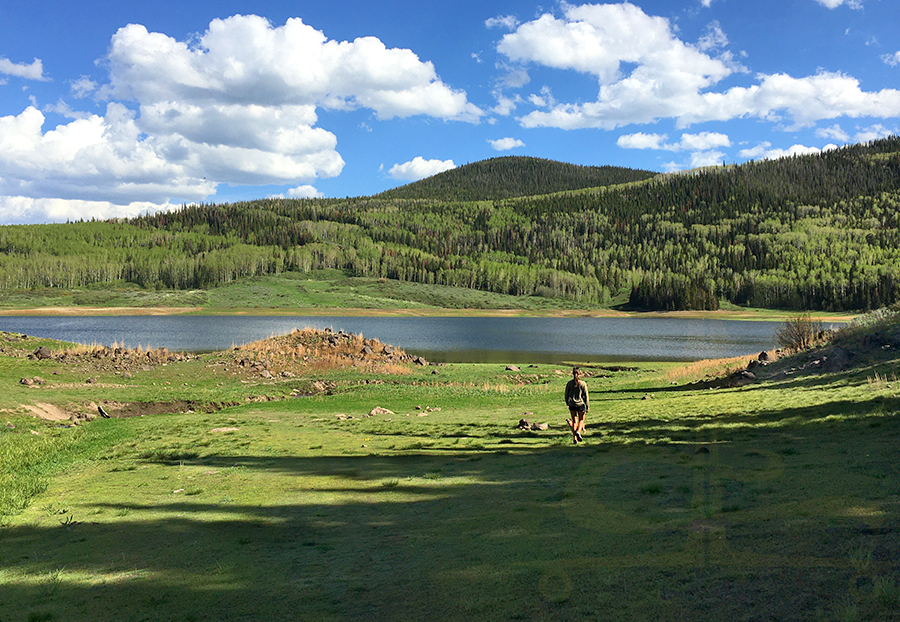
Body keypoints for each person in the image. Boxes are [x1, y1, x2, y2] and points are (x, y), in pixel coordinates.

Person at [565, 367, 589, 444]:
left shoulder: (569, 383)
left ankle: (575, 438)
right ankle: (578, 432)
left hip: (572, 404)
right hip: (580, 404)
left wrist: (567, 403)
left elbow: (566, 394)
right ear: (580, 374)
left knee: (574, 421)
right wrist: (587, 405)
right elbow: (586, 396)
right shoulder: (583, 384)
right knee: (581, 420)